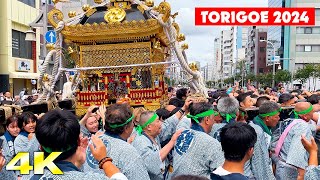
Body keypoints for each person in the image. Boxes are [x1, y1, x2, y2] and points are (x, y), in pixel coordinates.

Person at [22, 109, 128, 180]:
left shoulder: (31, 177)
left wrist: (76, 164)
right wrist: (104, 160)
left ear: (41, 148)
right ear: (78, 141)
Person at [84, 103, 150, 180]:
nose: (134, 125)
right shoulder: (128, 151)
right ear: (126, 127)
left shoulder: (93, 142)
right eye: (132, 123)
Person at [171, 102, 224, 179]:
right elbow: (219, 174)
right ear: (207, 120)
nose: (214, 122)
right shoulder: (211, 143)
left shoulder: (181, 134)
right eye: (213, 119)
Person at [131, 111, 183, 180]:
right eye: (158, 121)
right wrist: (172, 142)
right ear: (149, 127)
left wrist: (183, 110)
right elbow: (152, 163)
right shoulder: (141, 142)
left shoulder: (155, 136)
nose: (161, 123)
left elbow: (167, 125)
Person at [271, 102, 314, 180]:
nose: (313, 114)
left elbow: (274, 143)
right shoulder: (302, 126)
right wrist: (301, 175)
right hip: (291, 170)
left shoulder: (287, 121)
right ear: (305, 116)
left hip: (280, 164)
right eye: (312, 112)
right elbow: (297, 152)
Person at [247, 102, 281, 179]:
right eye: (277, 116)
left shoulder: (263, 127)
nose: (279, 119)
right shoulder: (257, 132)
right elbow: (258, 162)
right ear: (267, 118)